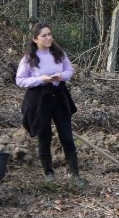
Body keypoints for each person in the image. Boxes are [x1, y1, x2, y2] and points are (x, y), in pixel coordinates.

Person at [16, 22, 84, 187]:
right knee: (44, 138)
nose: (48, 38)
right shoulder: (29, 58)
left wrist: (61, 76)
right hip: (40, 99)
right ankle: (49, 175)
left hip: (59, 97)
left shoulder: (59, 54)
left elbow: (69, 70)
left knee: (67, 137)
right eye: (44, 35)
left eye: (49, 34)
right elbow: (20, 80)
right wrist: (41, 79)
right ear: (35, 39)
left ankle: (75, 176)